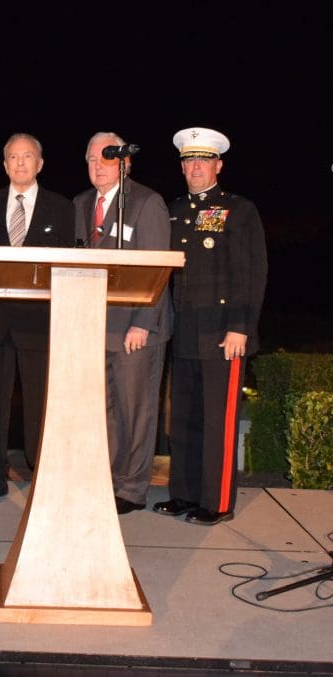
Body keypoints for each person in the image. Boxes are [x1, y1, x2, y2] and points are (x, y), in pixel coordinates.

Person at [154, 127, 267, 526]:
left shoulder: (239, 209)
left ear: (218, 164)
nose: (195, 167)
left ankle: (217, 502)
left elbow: (250, 273)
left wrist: (241, 326)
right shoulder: (175, 210)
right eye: (188, 161)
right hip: (183, 328)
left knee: (218, 421)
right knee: (183, 418)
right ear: (182, 167)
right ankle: (184, 493)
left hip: (223, 333)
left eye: (203, 160)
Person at [0, 133, 74, 501]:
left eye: (27, 156)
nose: (20, 163)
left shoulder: (61, 207)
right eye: (13, 157)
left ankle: (42, 474)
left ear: (40, 163)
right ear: (4, 164)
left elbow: (68, 266)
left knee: (41, 403)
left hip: (40, 324)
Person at [74, 132, 172, 514]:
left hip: (135, 329)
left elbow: (159, 268)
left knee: (137, 411)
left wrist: (143, 323)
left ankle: (131, 489)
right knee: (105, 412)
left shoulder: (146, 203)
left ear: (124, 162)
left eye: (106, 158)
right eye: (91, 159)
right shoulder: (82, 203)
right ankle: (107, 480)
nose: (97, 166)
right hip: (95, 326)